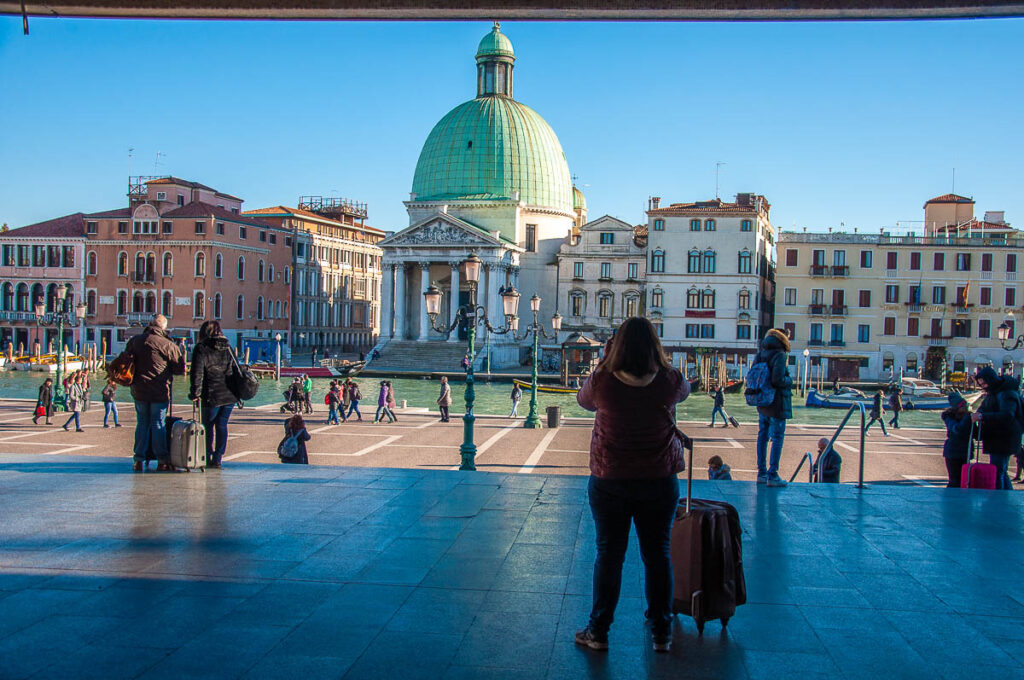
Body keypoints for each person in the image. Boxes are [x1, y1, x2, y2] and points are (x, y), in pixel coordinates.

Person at [574, 316, 689, 654]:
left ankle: (598, 630)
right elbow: (685, 390)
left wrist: (605, 359)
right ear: (655, 346)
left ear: (617, 347)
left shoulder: (603, 382)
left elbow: (583, 400)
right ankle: (661, 632)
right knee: (658, 556)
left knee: (609, 555)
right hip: (659, 479)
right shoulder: (668, 380)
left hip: (611, 480)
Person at [125, 315, 184, 472]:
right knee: (158, 424)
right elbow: (180, 369)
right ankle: (162, 460)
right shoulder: (168, 345)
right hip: (159, 391)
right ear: (164, 328)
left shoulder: (135, 341)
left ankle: (138, 459)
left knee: (142, 423)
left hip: (138, 390)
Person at [188, 320, 237, 469]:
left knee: (207, 427)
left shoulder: (201, 348)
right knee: (222, 425)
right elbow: (235, 370)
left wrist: (195, 393)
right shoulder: (228, 347)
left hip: (211, 394)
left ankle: (207, 455)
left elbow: (197, 373)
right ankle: (218, 457)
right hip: (229, 394)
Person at [754, 328, 794, 487]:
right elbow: (778, 379)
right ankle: (773, 475)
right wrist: (789, 380)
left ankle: (761, 473)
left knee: (762, 436)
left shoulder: (761, 353)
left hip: (762, 401)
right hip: (777, 403)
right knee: (777, 438)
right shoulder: (780, 355)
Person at [971, 366, 1022, 491]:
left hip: (1004, 438)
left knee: (998, 470)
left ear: (990, 380)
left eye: (984, 383)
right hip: (999, 438)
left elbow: (1007, 415)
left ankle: (1001, 500)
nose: (983, 386)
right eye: (981, 384)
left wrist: (982, 416)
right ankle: (1005, 498)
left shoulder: (1006, 394)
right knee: (1000, 471)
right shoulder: (997, 392)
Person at [940, 392, 972, 488]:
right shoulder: (949, 417)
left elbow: (975, 434)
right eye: (963, 406)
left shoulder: (968, 418)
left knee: (964, 480)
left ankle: (961, 500)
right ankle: (951, 500)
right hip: (953, 452)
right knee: (954, 480)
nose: (966, 408)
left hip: (965, 452)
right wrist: (968, 418)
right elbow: (957, 429)